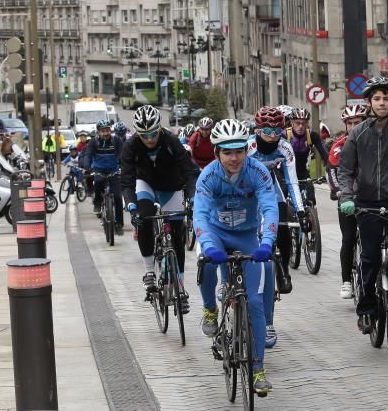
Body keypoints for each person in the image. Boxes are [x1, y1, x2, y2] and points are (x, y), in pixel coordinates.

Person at [193, 118, 277, 397]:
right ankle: (210, 308)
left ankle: (258, 368)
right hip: (216, 235)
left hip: (247, 235)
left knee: (253, 300)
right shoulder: (208, 176)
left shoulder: (258, 172)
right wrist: (208, 245)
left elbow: (269, 208)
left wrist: (267, 242)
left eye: (239, 151)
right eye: (227, 152)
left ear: (246, 150)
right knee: (205, 265)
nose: (234, 158)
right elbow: (200, 214)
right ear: (217, 153)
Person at [337, 77, 388, 333]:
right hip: (366, 207)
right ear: (369, 102)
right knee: (369, 258)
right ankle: (366, 308)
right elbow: (344, 169)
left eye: (386, 98)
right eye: (377, 98)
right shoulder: (358, 133)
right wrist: (347, 197)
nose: (382, 102)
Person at [121, 105, 198, 307]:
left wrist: (191, 198)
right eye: (144, 135)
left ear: (159, 128)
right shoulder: (130, 146)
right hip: (145, 184)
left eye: (153, 133)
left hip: (172, 187)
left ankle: (180, 287)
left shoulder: (170, 141)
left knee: (177, 234)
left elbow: (190, 172)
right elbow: (126, 181)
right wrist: (131, 206)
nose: (149, 139)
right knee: (144, 220)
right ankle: (149, 271)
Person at [247, 106, 306, 347]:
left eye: (278, 130)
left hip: (272, 192)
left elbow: (291, 181)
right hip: (249, 194)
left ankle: (282, 268)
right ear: (258, 130)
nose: (273, 135)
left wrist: (301, 211)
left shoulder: (285, 147)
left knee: (282, 228)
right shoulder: (248, 147)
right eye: (267, 130)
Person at [327, 103, 369, 299]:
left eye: (357, 122)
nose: (353, 127)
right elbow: (333, 171)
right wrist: (338, 192)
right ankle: (346, 281)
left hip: (371, 197)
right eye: (349, 123)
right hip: (348, 196)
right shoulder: (339, 145)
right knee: (349, 237)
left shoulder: (373, 140)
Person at [85, 120, 124, 234]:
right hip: (99, 169)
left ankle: (119, 224)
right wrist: (87, 166)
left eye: (107, 130)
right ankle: (97, 204)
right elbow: (88, 154)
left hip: (113, 170)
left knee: (117, 196)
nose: (106, 133)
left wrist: (123, 164)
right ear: (99, 132)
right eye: (103, 131)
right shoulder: (93, 142)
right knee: (98, 183)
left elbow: (122, 154)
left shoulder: (116, 140)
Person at [287, 107, 329, 205]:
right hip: (286, 173)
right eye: (298, 123)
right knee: (282, 200)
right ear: (292, 123)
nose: (301, 126)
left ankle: (311, 216)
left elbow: (325, 155)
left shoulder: (312, 135)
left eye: (304, 123)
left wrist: (329, 170)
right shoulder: (285, 135)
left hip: (303, 173)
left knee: (310, 197)